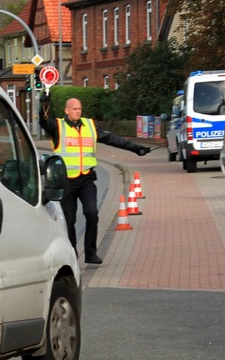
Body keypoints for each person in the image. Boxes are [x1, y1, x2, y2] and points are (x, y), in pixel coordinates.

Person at [42, 97, 150, 265]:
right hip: (67, 182)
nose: (78, 111)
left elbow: (112, 139)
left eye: (80, 108)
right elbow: (43, 120)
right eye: (74, 108)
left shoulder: (90, 126)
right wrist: (43, 105)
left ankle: (91, 253)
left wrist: (136, 148)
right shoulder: (57, 127)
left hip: (86, 178)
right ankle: (72, 254)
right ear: (66, 110)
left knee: (92, 213)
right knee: (69, 220)